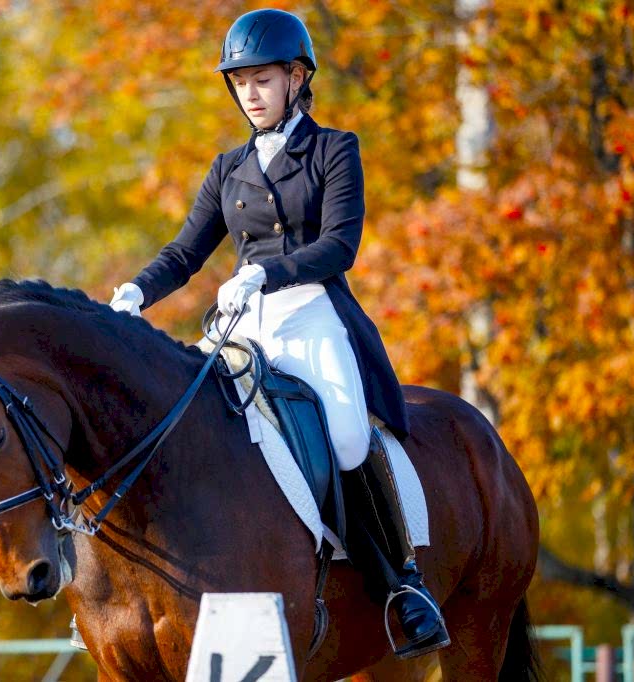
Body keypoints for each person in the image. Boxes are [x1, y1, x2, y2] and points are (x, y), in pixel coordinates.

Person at [108, 9, 449, 658]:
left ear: (297, 78)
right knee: (186, 417)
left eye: (262, 80)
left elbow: (340, 246)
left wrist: (266, 273)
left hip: (311, 312)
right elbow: (184, 254)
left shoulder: (333, 150)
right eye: (240, 84)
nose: (250, 94)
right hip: (245, 325)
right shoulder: (227, 168)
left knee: (348, 437)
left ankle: (401, 584)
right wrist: (136, 293)